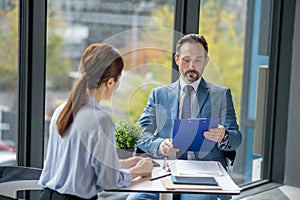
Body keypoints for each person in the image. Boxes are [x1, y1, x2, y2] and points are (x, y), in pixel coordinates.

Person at [126, 34, 242, 200]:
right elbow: (139, 133)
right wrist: (159, 145)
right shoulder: (159, 95)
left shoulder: (221, 95)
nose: (192, 66)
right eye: (186, 60)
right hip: (165, 170)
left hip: (204, 172)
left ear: (206, 61)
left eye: (198, 60)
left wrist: (224, 136)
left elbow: (236, 138)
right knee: (135, 199)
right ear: (177, 59)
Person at [38, 43, 153, 200]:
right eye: (119, 80)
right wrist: (139, 171)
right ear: (111, 82)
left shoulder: (62, 110)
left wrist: (123, 164)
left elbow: (78, 166)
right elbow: (108, 182)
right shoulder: (100, 119)